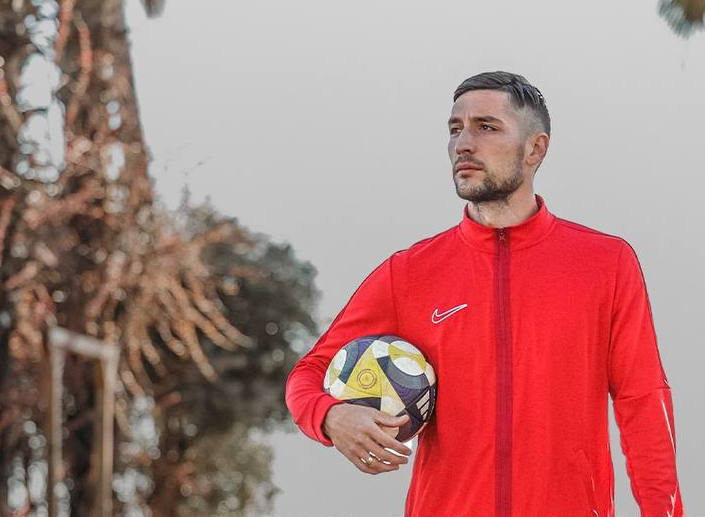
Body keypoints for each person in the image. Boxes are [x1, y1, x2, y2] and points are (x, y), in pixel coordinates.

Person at [285, 71, 682, 517]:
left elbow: (643, 403)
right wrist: (331, 416)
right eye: (455, 129)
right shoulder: (410, 273)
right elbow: (308, 373)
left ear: (535, 149)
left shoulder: (605, 263)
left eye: (486, 127)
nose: (463, 144)